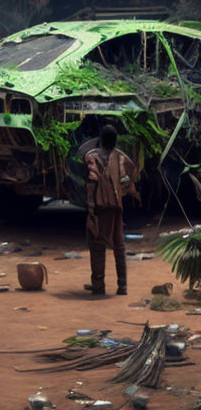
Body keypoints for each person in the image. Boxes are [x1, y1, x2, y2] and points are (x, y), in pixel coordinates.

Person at [83, 124, 137, 296]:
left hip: (100, 208)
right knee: (119, 246)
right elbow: (131, 176)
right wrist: (121, 192)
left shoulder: (91, 156)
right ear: (115, 141)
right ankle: (123, 286)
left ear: (100, 139)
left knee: (97, 246)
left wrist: (90, 209)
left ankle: (98, 285)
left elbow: (92, 182)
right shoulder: (121, 158)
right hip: (116, 208)